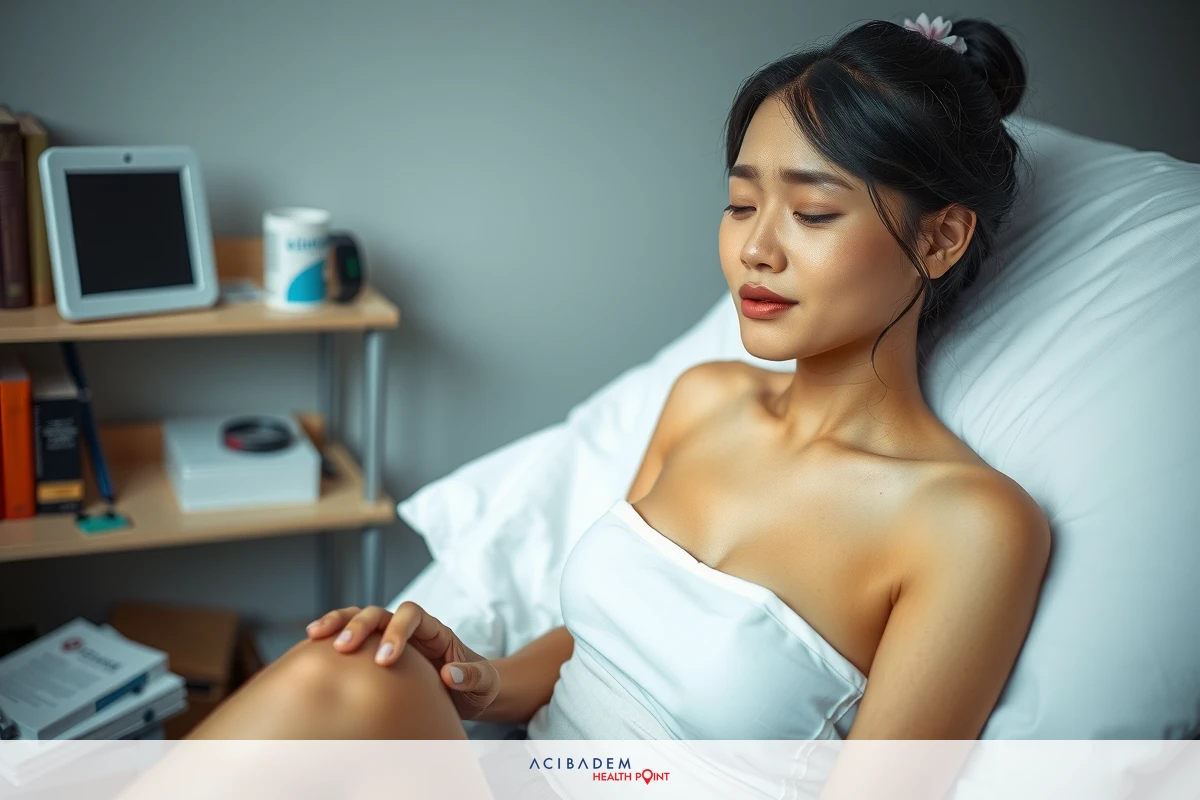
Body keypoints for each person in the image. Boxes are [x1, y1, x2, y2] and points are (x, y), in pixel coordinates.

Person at [187, 12, 1049, 745]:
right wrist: (477, 679)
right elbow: (591, 649)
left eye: (813, 212)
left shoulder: (970, 525)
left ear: (940, 240)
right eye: (742, 204)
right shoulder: (705, 399)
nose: (756, 247)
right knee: (345, 669)